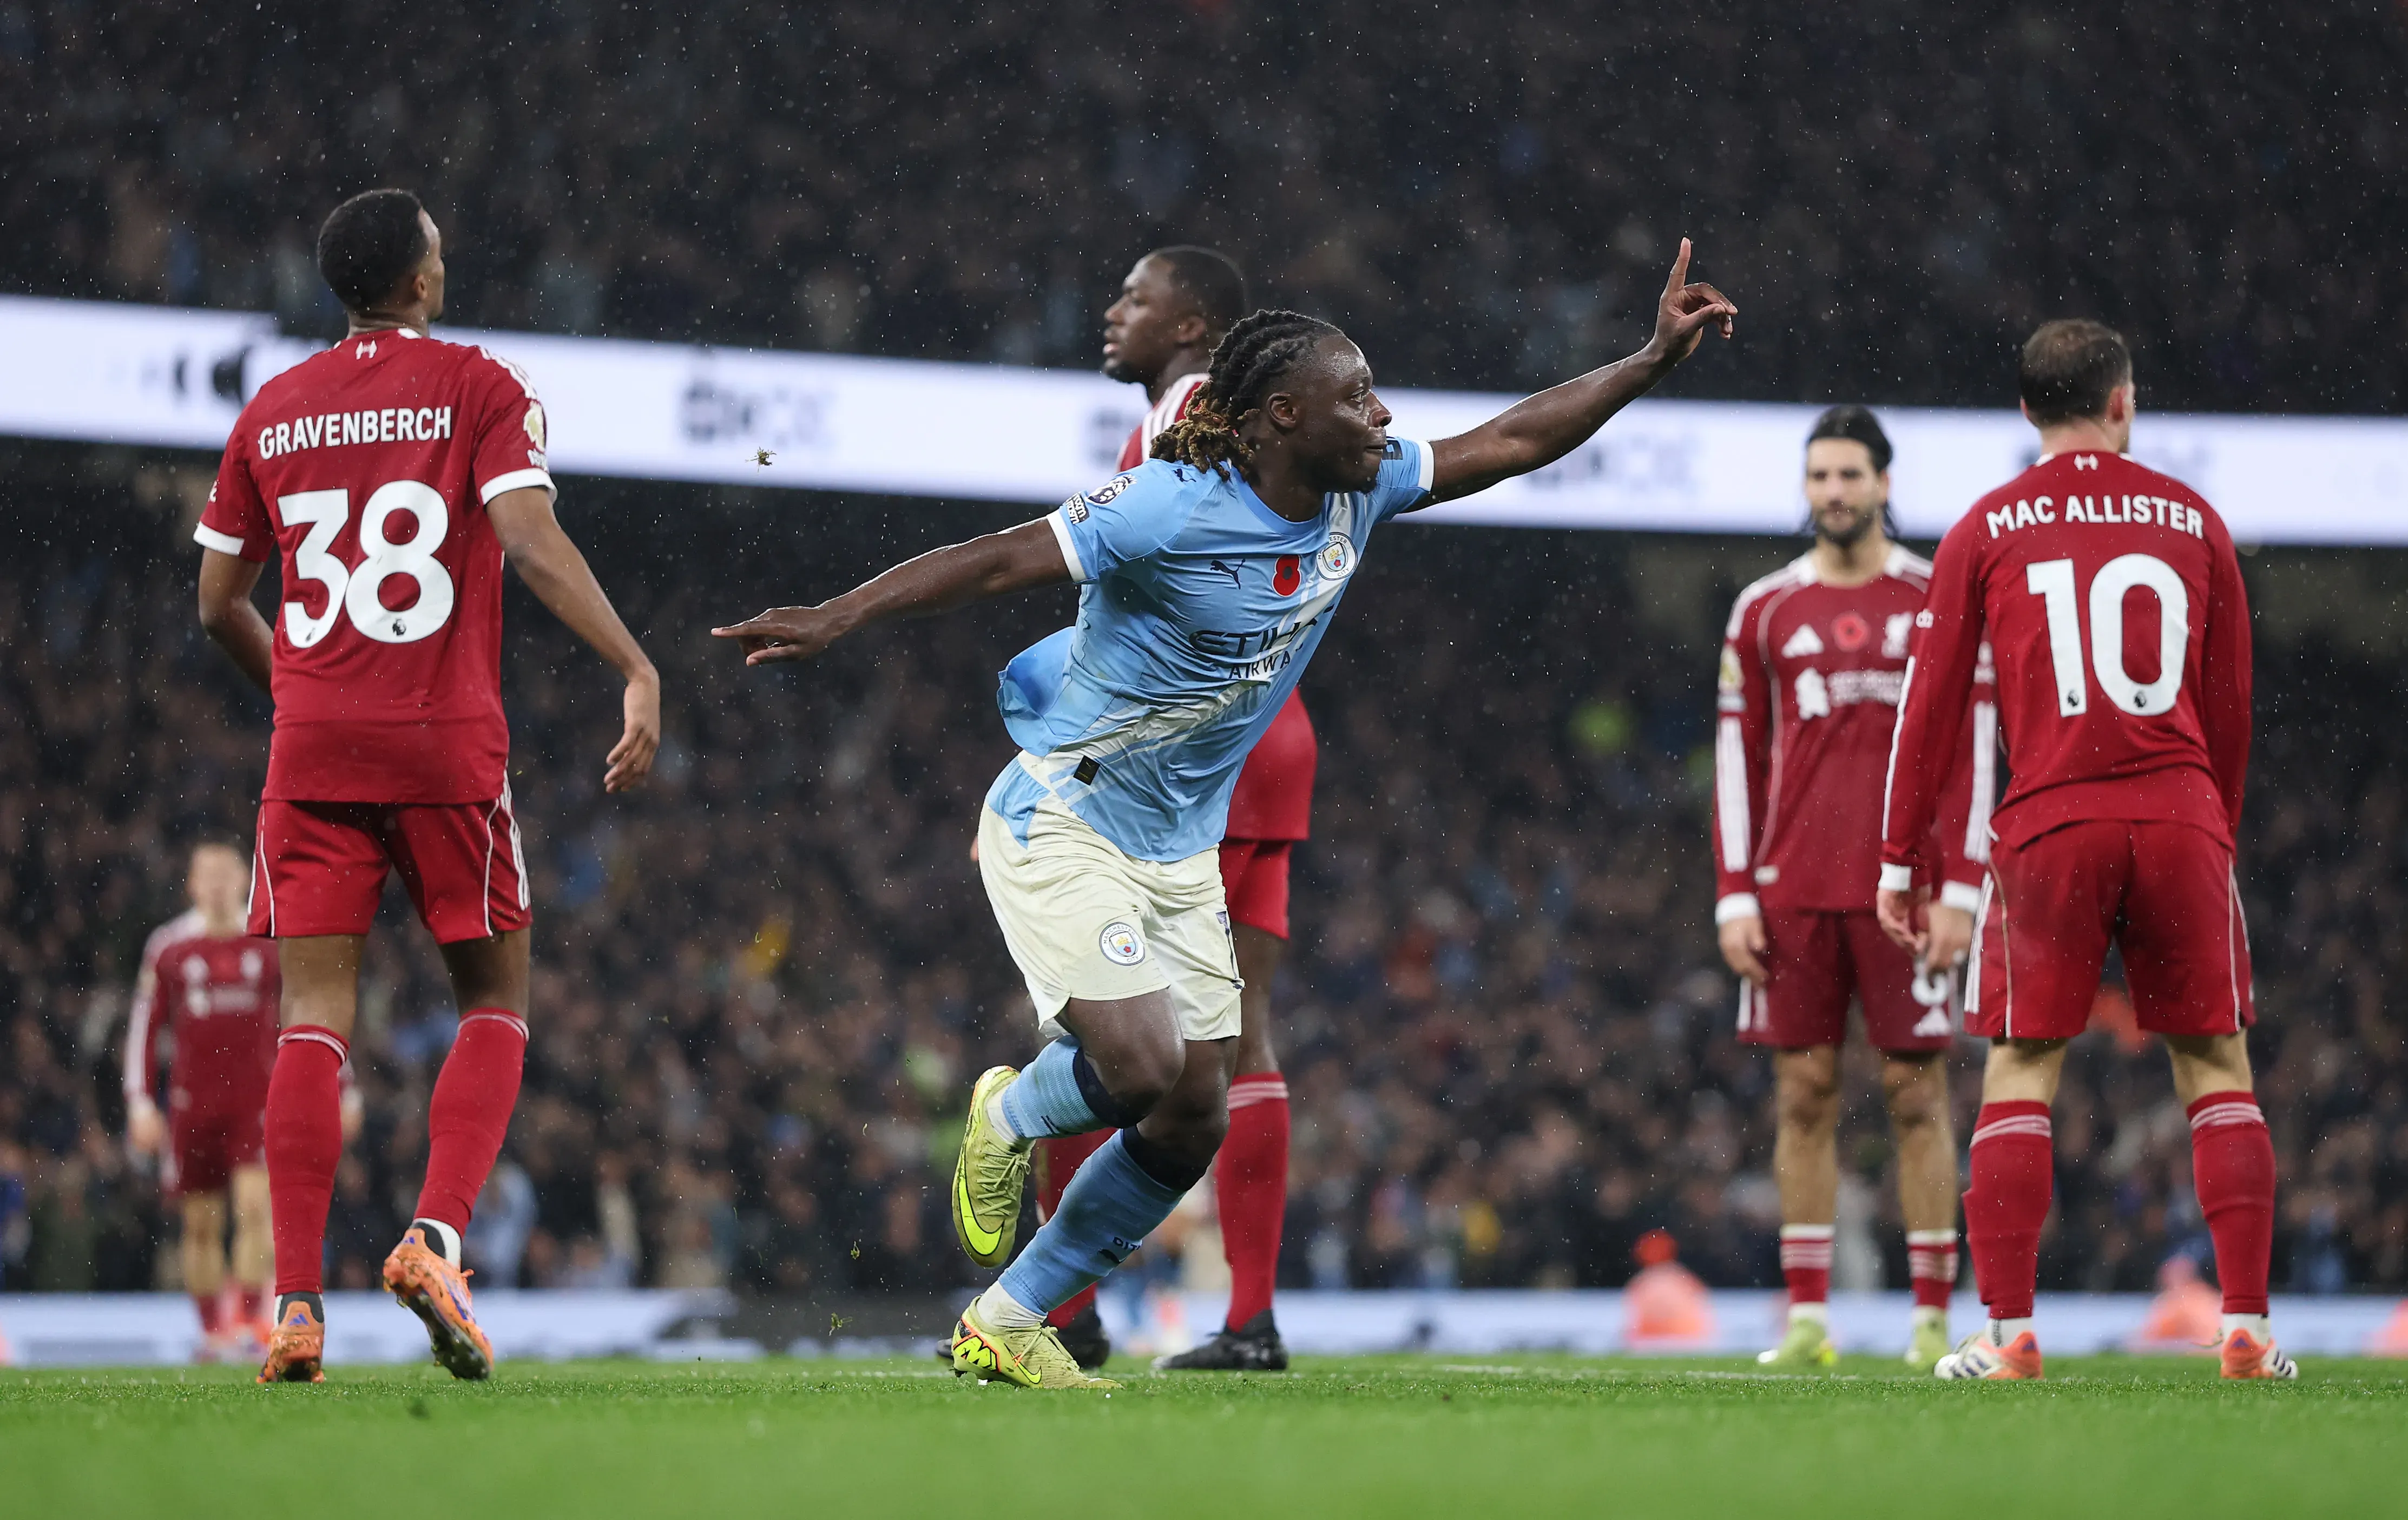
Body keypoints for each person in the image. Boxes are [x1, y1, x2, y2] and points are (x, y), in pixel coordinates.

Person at [720, 243, 1736, 1391]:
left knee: (1196, 1109)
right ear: (1282, 415)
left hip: (1178, 849)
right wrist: (840, 616)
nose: (1382, 413)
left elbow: (1505, 443)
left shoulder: (1364, 482)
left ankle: (1008, 1317)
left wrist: (1648, 359)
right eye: (1357, 396)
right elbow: (1004, 556)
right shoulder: (1167, 505)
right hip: (1067, 815)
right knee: (1149, 1067)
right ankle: (1011, 1114)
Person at [195, 188, 660, 1383]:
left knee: (312, 1021)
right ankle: (435, 1237)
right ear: (415, 281)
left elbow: (216, 603)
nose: (445, 267)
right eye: (438, 253)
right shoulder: (477, 386)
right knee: (494, 999)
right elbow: (533, 543)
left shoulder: (273, 408)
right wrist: (633, 662)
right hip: (443, 743)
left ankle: (294, 1306)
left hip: (312, 753)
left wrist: (302, 693)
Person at [1878, 319, 2287, 1381]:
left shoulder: (1985, 526)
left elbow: (1928, 706)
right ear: (2121, 403)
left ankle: (2009, 1333)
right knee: (2213, 1064)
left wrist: (1899, 859)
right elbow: (2230, 702)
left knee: (2021, 1066)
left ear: (2025, 412)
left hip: (2049, 817)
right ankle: (2243, 1325)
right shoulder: (2192, 519)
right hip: (2178, 808)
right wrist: (2213, 826)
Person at [1033, 246, 1316, 1374]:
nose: (1111, 311)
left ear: (1192, 322)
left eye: (1134, 298)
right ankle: (1248, 1319)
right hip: (1267, 741)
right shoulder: (1245, 426)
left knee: (1093, 1019)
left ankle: (1062, 1307)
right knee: (1241, 1039)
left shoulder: (1186, 416)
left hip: (1181, 752)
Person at [1713, 406, 1990, 1372]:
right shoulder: (1763, 611)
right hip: (1791, 891)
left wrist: (1961, 883)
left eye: (1849, 475)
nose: (1832, 492)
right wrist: (1734, 892)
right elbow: (1737, 759)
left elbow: (1970, 750)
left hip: (1905, 896)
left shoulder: (1935, 598)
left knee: (1917, 1095)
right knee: (1804, 1094)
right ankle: (1807, 1320)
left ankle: (1927, 1319)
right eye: (1819, 476)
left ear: (1883, 482)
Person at [124, 842, 280, 1361]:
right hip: (192, 1108)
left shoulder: (269, 940)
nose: (216, 883)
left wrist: (341, 1083)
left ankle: (252, 1321)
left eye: (225, 873)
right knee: (201, 1224)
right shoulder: (169, 947)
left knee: (256, 1209)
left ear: (243, 879)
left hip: (255, 1104)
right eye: (206, 874)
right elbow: (144, 1030)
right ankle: (214, 1332)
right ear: (191, 883)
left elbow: (305, 1015)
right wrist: (141, 1102)